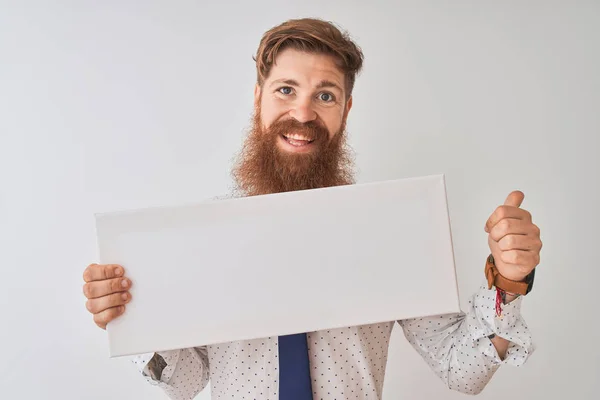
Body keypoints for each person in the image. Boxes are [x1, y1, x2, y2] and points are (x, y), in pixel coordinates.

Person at [82, 18, 542, 400]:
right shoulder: (203, 234)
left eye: (325, 95)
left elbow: (462, 369)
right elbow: (185, 380)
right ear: (258, 97)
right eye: (286, 89)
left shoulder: (388, 226)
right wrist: (133, 316)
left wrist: (509, 279)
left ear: (346, 109)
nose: (303, 114)